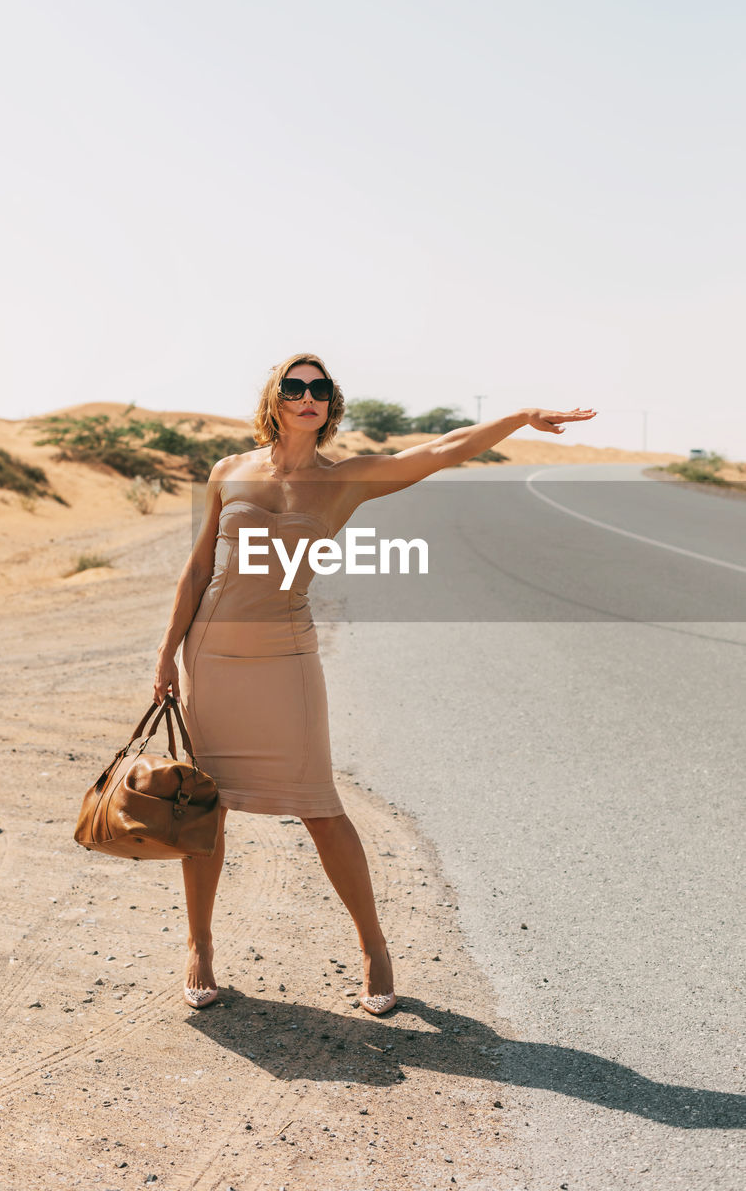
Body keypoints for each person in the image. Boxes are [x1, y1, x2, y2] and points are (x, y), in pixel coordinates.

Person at [153, 353, 596, 1013]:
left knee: (319, 807)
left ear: (331, 405)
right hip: (211, 656)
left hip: (286, 655)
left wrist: (515, 419)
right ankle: (199, 946)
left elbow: (442, 450)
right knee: (206, 806)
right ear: (274, 399)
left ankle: (373, 948)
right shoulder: (228, 471)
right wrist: (166, 656)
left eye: (320, 389)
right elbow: (195, 573)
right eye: (295, 386)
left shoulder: (347, 480)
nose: (308, 396)